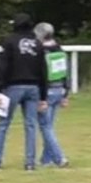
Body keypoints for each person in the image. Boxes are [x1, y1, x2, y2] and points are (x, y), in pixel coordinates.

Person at [0, 13, 49, 170]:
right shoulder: (37, 44)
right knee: (31, 125)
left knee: (3, 124)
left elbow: (3, 67)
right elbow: (43, 70)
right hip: (34, 88)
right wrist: (43, 96)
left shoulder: (9, 41)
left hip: (13, 87)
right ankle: (30, 163)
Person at [34, 22, 70, 167]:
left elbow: (42, 75)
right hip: (59, 89)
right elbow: (65, 73)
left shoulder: (41, 52)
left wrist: (41, 97)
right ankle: (46, 159)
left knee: (45, 126)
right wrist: (65, 94)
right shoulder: (59, 50)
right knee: (49, 126)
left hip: (47, 91)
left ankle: (59, 158)